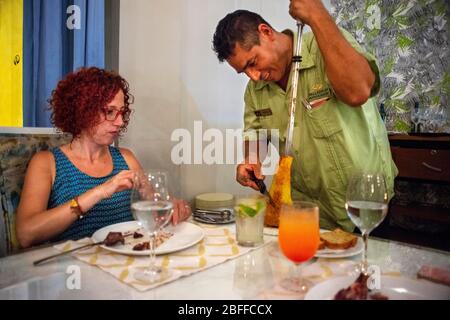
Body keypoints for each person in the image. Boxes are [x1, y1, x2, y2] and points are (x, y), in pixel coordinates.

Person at [212, 0, 398, 231]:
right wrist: (252, 160)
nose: (254, 76)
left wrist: (317, 14)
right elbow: (256, 132)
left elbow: (358, 92)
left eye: (253, 62)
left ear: (266, 32)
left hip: (363, 206)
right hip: (307, 213)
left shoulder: (324, 48)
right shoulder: (255, 91)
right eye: (244, 72)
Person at [16, 67, 191, 248]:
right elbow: (26, 234)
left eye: (122, 112)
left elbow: (154, 204)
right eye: (109, 112)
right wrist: (99, 192)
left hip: (126, 262)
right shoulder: (47, 163)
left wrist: (172, 207)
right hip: (75, 268)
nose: (120, 122)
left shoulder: (126, 158)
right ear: (83, 111)